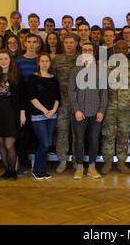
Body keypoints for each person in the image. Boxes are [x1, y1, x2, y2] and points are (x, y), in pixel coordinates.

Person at [69, 42, 108, 179]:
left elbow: (104, 93)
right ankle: (79, 167)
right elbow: (71, 92)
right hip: (79, 113)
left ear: (94, 53)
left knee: (93, 140)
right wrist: (76, 110)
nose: (87, 52)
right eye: (84, 50)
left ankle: (92, 167)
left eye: (89, 50)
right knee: (79, 140)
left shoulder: (101, 71)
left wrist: (101, 111)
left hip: (96, 113)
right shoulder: (75, 70)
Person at [0, 51, 26, 181]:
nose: (3, 61)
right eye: (1, 59)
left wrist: (22, 113)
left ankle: (13, 171)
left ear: (10, 60)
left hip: (12, 111)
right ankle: (6, 170)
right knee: (1, 144)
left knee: (9, 144)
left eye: (5, 58)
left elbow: (22, 97)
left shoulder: (16, 75)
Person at [101, 41, 130, 175]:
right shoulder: (106, 67)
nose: (121, 50)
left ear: (127, 51)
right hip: (109, 107)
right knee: (108, 134)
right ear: (114, 50)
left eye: (124, 48)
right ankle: (108, 162)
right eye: (118, 48)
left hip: (126, 107)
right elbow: (101, 89)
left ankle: (122, 161)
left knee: (124, 133)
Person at [28, 53, 61, 180]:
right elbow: (32, 97)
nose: (44, 63)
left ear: (49, 63)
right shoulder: (33, 78)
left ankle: (40, 169)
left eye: (47, 61)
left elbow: (57, 97)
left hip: (51, 115)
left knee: (46, 144)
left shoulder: (53, 79)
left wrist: (53, 110)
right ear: (38, 63)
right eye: (42, 61)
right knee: (44, 143)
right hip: (38, 116)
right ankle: (37, 170)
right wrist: (44, 110)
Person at [50, 34, 79, 173]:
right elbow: (52, 80)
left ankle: (76, 160)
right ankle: (62, 160)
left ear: (76, 44)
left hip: (78, 102)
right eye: (66, 42)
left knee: (77, 132)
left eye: (71, 42)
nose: (68, 45)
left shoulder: (82, 58)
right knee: (62, 130)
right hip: (61, 101)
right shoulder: (57, 59)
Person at [15, 34, 39, 175]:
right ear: (24, 44)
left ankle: (37, 164)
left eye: (34, 42)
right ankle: (24, 163)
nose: (31, 44)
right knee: (21, 134)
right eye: (28, 42)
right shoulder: (18, 61)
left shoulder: (41, 59)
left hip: (38, 103)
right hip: (22, 103)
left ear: (37, 44)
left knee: (36, 135)